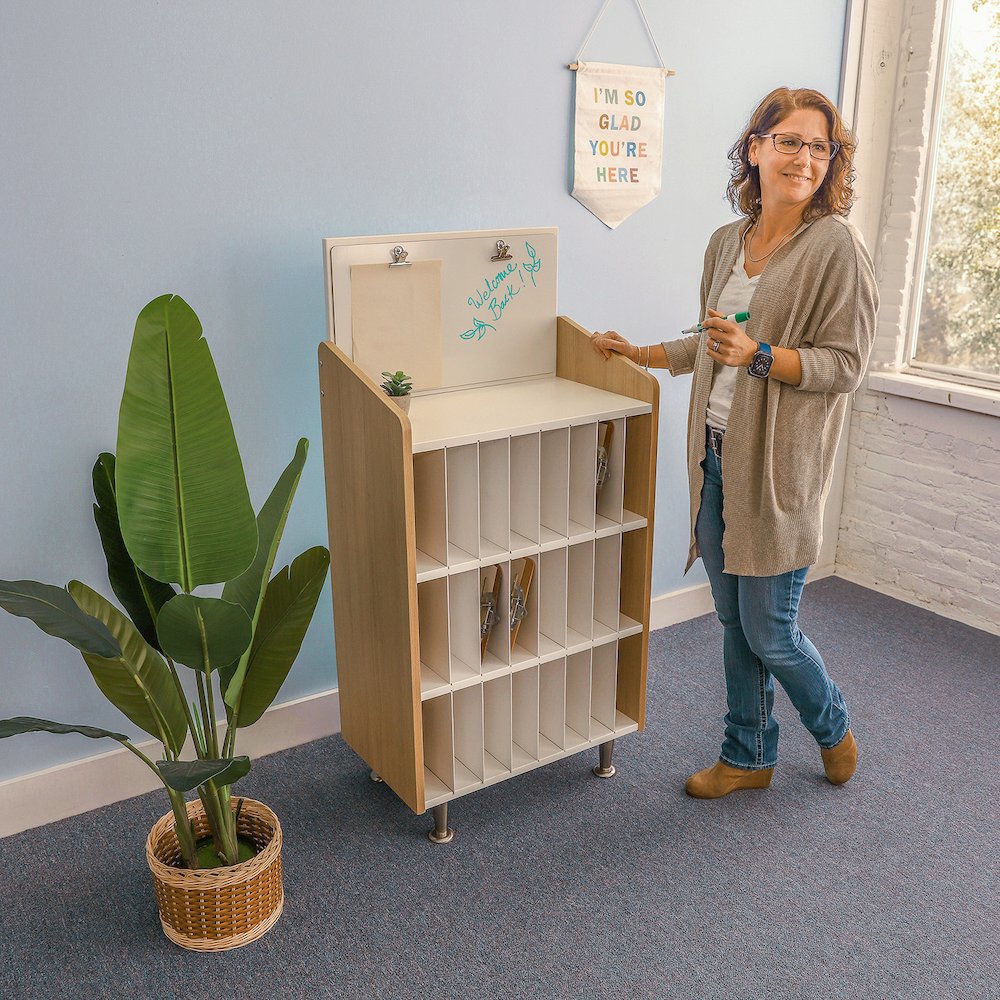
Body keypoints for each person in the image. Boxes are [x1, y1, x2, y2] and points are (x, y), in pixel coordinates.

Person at [591, 87, 878, 798]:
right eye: (789, 141)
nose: (804, 158)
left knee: (771, 629)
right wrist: (640, 354)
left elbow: (845, 366)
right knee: (733, 620)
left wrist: (761, 356)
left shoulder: (835, 246)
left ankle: (833, 726)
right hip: (714, 456)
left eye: (820, 147)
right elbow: (712, 341)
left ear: (831, 162)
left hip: (777, 469)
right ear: (756, 149)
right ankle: (747, 755)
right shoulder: (727, 242)